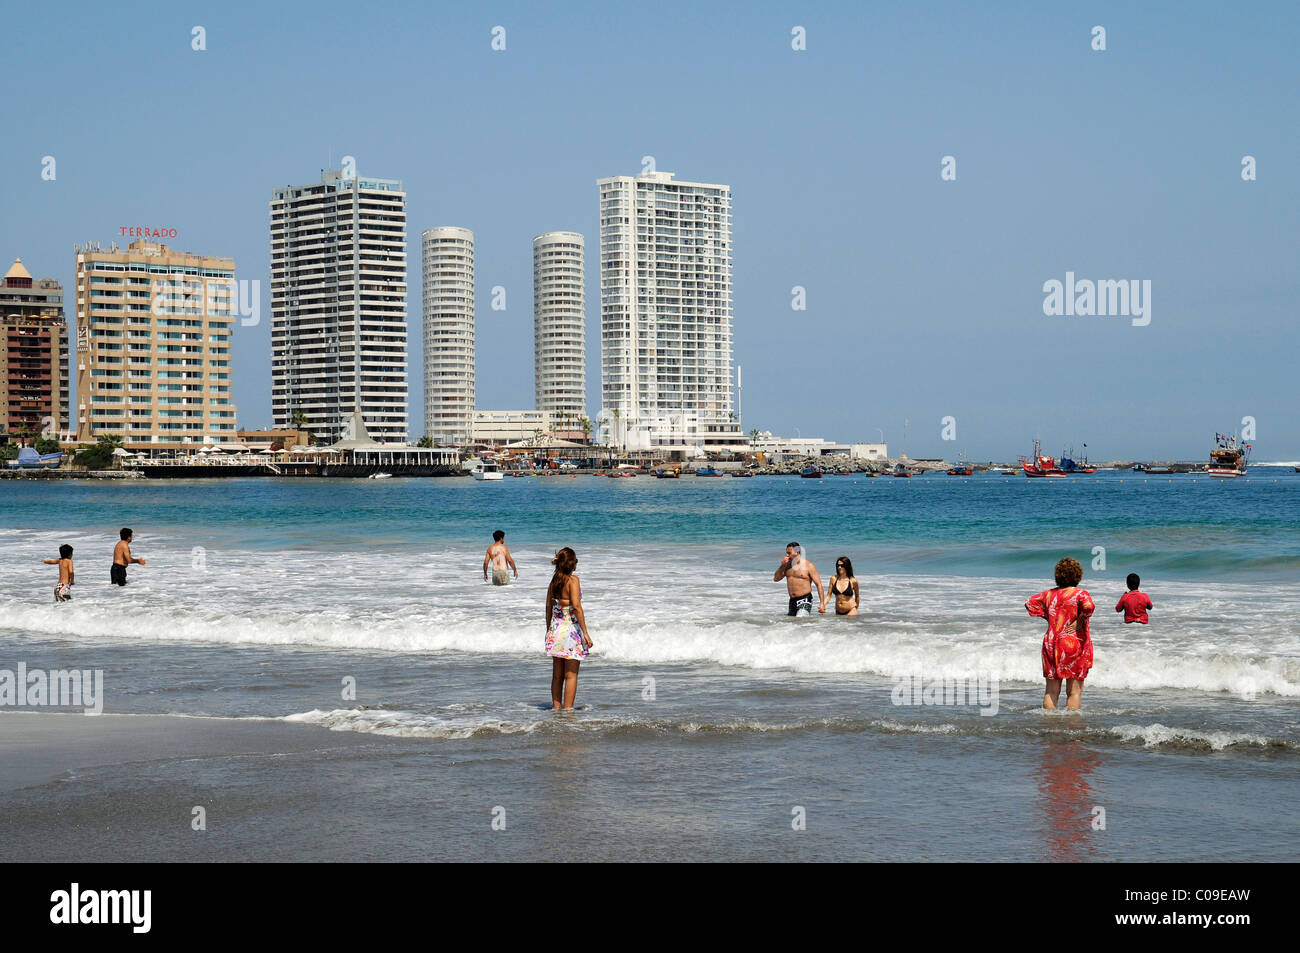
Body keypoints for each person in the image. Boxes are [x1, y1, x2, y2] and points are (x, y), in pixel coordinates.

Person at [1025, 557, 1095, 710]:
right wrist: (1080, 621)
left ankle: (1050, 724)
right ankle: (1071, 727)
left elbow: (1030, 603)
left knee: (1051, 691)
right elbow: (1089, 607)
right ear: (1078, 576)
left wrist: (1049, 616)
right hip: (1074, 642)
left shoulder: (1048, 594)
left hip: (1051, 642)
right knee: (1074, 692)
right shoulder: (1080, 594)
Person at [545, 547, 592, 710]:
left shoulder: (554, 582)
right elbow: (577, 607)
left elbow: (548, 606)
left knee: (557, 675)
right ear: (572, 564)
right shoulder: (573, 581)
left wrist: (548, 630)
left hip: (555, 629)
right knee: (571, 675)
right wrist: (585, 633)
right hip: (570, 631)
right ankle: (568, 712)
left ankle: (556, 709)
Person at [774, 542, 825, 616]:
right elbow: (776, 579)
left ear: (797, 552)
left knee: (800, 619)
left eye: (789, 553)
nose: (787, 555)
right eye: (786, 553)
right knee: (792, 624)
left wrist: (822, 603)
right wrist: (782, 566)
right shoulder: (787, 566)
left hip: (805, 599)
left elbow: (819, 584)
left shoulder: (808, 566)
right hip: (792, 601)